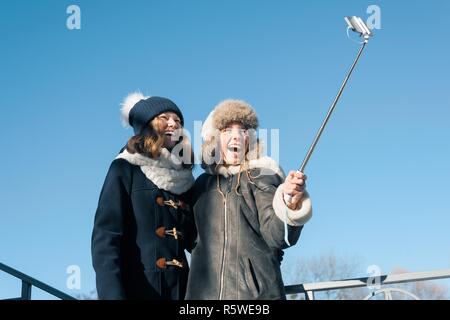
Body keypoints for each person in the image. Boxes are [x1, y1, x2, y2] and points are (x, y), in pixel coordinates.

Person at [185, 99, 312, 300]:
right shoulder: (201, 185)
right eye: (227, 130)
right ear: (214, 140)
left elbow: (277, 236)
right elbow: (187, 238)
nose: (236, 136)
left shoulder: (261, 176)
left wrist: (288, 201)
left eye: (243, 131)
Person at [91, 93, 195, 300]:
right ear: (147, 125)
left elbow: (199, 240)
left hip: (183, 293)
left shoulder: (185, 180)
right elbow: (106, 239)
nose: (173, 124)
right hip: (138, 291)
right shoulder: (124, 168)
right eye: (165, 118)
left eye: (178, 121)